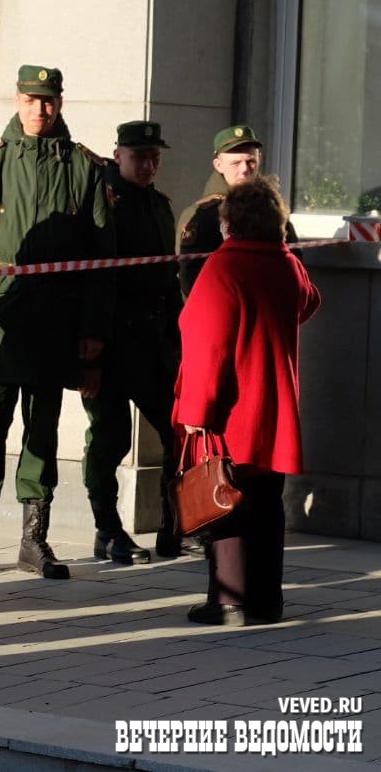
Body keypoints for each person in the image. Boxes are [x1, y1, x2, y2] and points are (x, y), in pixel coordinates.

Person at [0, 65, 114, 581]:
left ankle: (34, 538)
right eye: (32, 100)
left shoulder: (85, 167)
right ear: (17, 100)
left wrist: (93, 333)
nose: (42, 109)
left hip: (56, 318)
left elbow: (101, 261)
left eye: (50, 100)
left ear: (61, 102)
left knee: (43, 430)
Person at [174, 175, 320, 626]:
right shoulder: (287, 263)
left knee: (226, 500)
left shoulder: (224, 267)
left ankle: (229, 601)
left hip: (232, 410)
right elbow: (309, 302)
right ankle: (266, 600)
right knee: (267, 504)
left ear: (229, 222)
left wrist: (197, 410)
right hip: (275, 408)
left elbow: (207, 346)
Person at [81, 121, 189, 564]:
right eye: (139, 157)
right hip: (109, 345)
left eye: (154, 158)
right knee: (110, 440)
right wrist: (89, 348)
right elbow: (91, 280)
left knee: (176, 433)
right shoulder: (100, 203)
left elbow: (169, 282)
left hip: (153, 344)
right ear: (118, 155)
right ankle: (107, 529)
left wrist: (178, 342)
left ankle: (174, 526)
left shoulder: (159, 206)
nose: (148, 165)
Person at [177, 125, 299, 296]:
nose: (244, 169)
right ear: (218, 165)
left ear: (260, 160)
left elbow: (294, 265)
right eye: (235, 163)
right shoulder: (202, 215)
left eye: (251, 161)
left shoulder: (272, 208)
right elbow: (192, 282)